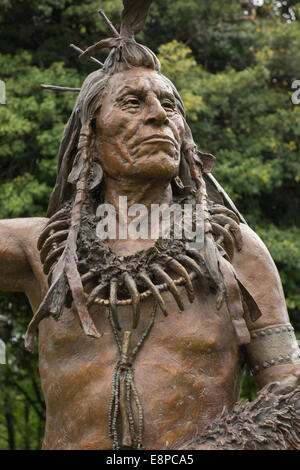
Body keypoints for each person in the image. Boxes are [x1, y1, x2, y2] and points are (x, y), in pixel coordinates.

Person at [0, 13, 299, 451]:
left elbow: (291, 393)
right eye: (133, 102)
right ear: (91, 136)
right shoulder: (37, 248)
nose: (160, 115)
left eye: (170, 106)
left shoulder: (233, 248)